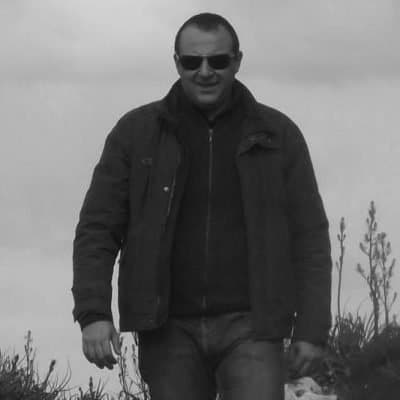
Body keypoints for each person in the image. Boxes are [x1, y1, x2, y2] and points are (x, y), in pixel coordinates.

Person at [72, 12, 332, 400]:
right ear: (177, 63)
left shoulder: (278, 135)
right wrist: (93, 313)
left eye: (218, 61)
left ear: (237, 61)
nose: (205, 72)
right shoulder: (136, 134)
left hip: (254, 326)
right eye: (193, 61)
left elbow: (310, 237)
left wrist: (311, 330)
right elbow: (97, 229)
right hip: (167, 328)